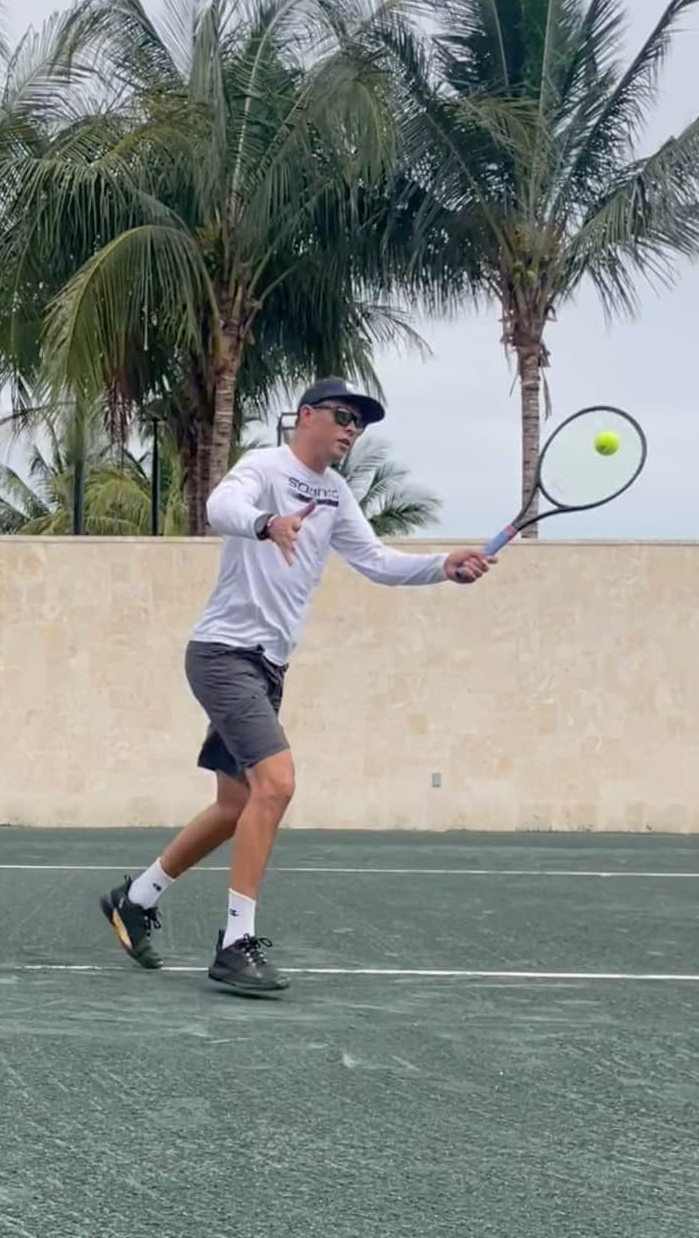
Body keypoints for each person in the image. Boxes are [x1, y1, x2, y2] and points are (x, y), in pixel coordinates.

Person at [100, 378, 496, 993]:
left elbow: (377, 562)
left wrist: (443, 566)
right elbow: (217, 510)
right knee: (277, 785)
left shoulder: (335, 493)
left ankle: (135, 898)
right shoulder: (262, 467)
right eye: (341, 416)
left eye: (358, 424)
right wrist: (267, 524)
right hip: (222, 654)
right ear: (305, 415)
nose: (349, 430)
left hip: (268, 666)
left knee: (236, 807)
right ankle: (235, 945)